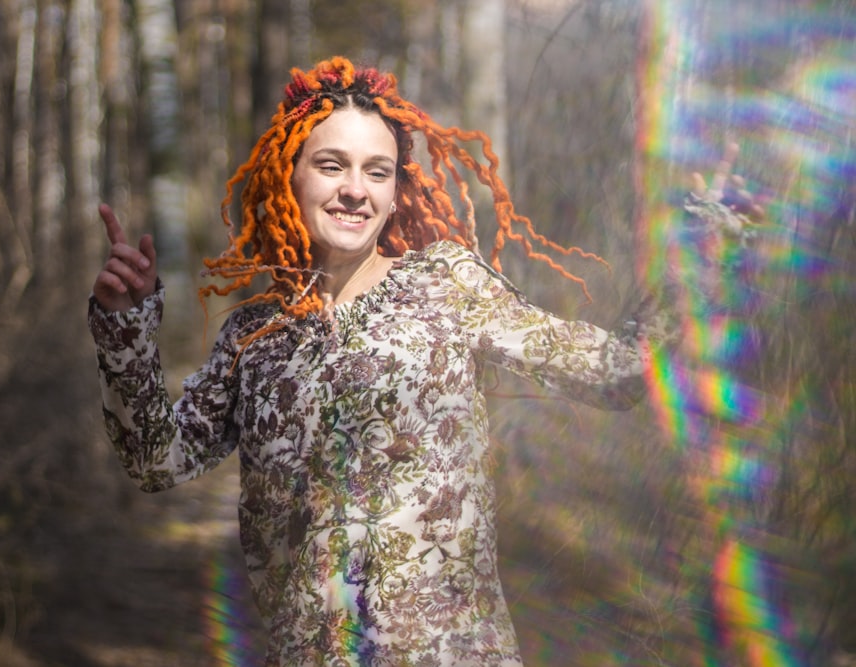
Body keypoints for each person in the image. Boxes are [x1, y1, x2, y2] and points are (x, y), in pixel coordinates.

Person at [88, 56, 757, 666]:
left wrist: (698, 258)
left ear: (395, 188)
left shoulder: (448, 287)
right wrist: (126, 327)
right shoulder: (253, 338)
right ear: (287, 172)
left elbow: (614, 371)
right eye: (331, 165)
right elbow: (156, 458)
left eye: (376, 171)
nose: (356, 189)